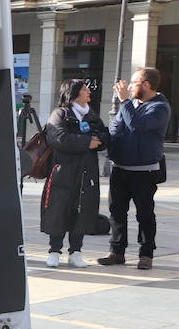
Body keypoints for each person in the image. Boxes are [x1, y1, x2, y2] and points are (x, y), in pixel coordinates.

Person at [97, 68, 170, 270]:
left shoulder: (160, 108)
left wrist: (124, 101)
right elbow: (116, 128)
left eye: (134, 82)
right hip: (120, 169)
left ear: (146, 85)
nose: (129, 87)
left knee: (144, 214)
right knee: (117, 212)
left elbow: (137, 126)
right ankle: (117, 252)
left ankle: (146, 254)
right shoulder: (129, 106)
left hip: (144, 171)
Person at [40, 79, 107, 268]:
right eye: (85, 90)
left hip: (87, 172)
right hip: (63, 171)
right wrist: (87, 143)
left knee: (83, 209)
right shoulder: (59, 114)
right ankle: (54, 251)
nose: (89, 93)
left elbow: (105, 135)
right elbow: (58, 138)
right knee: (58, 209)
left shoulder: (92, 116)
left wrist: (99, 140)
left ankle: (76, 252)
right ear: (74, 92)